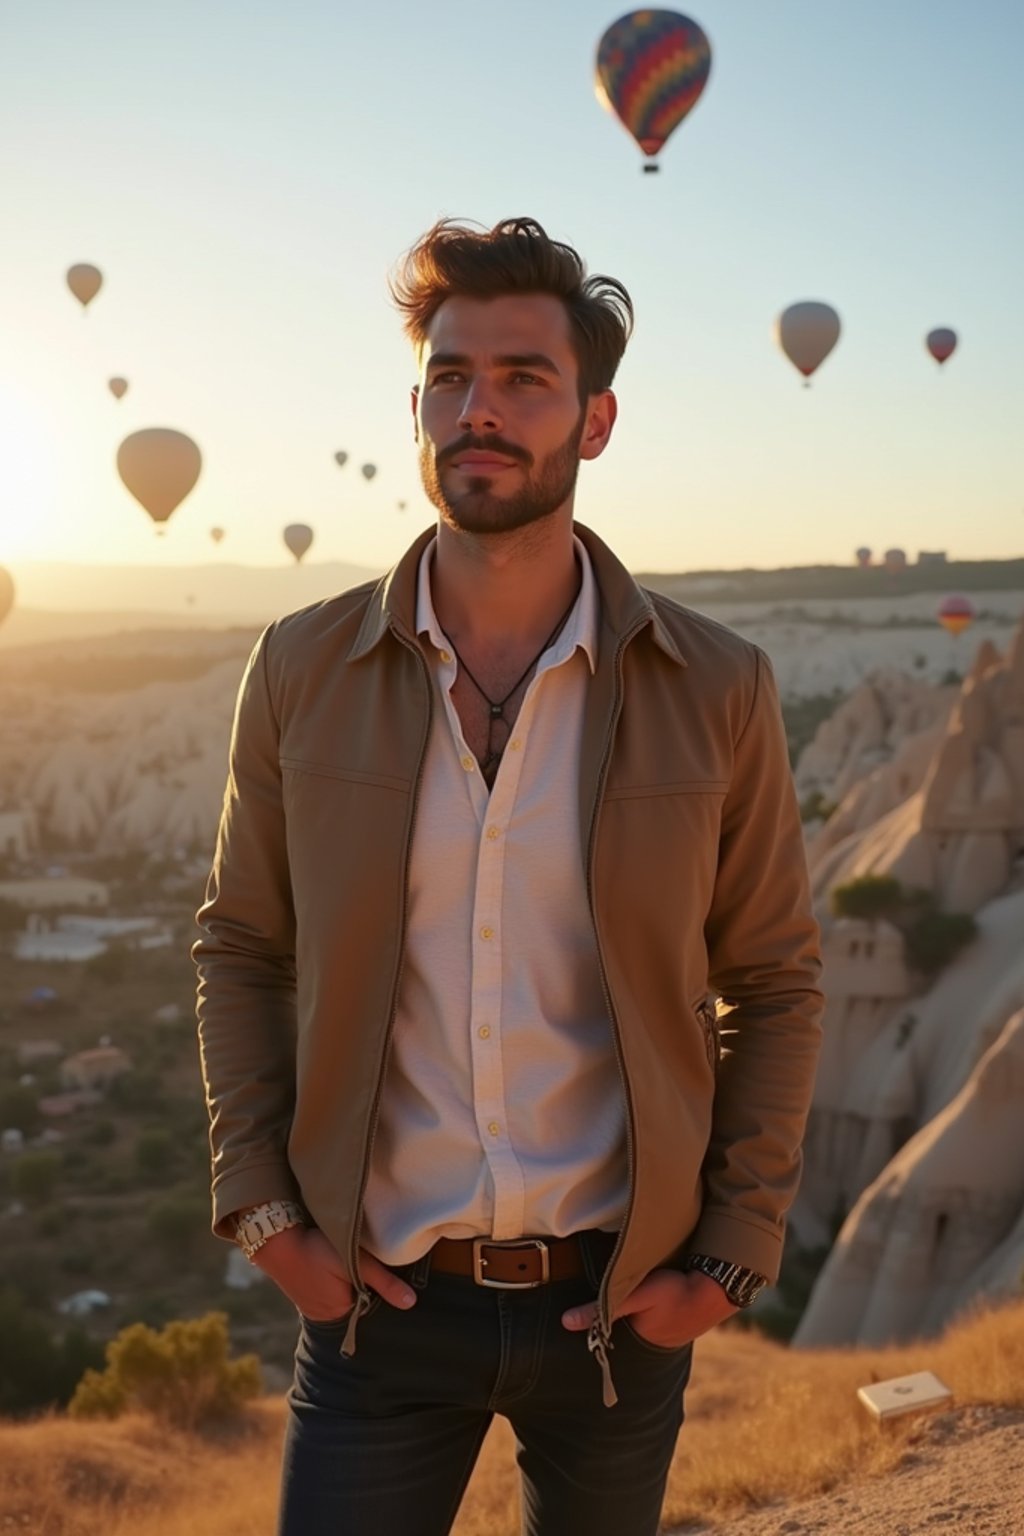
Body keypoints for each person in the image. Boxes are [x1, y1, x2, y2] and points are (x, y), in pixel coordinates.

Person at [194, 216, 824, 1536]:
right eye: (448, 376)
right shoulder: (303, 669)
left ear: (595, 423)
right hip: (379, 1307)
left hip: (619, 1308)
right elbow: (244, 945)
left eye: (524, 379)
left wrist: (730, 1255)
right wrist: (265, 1218)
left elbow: (773, 982)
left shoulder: (715, 687)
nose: (477, 411)